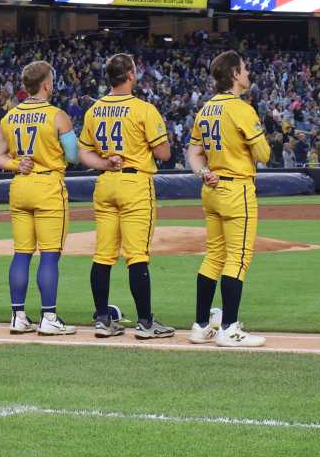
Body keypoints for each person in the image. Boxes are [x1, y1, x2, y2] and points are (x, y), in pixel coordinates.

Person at [79, 54, 174, 339]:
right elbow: (163, 153)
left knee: (103, 255)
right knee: (137, 256)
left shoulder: (94, 110)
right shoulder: (143, 109)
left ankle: (102, 320)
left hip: (106, 183)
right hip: (135, 183)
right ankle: (145, 322)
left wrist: (106, 163)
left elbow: (83, 153)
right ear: (131, 75)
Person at [186, 51, 271, 348]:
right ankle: (230, 328)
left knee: (213, 256)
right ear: (234, 74)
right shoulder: (242, 109)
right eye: (244, 68)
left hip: (211, 188)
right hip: (237, 189)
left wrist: (204, 172)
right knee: (238, 258)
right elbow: (264, 154)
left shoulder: (205, 109)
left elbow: (194, 154)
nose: (248, 72)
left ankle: (199, 325)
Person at [0, 61, 79, 336]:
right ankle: (49, 317)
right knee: (49, 256)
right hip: (48, 186)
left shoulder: (10, 116)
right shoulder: (57, 115)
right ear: (46, 84)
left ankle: (18, 316)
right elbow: (74, 156)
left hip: (20, 186)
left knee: (21, 253)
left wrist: (18, 165)